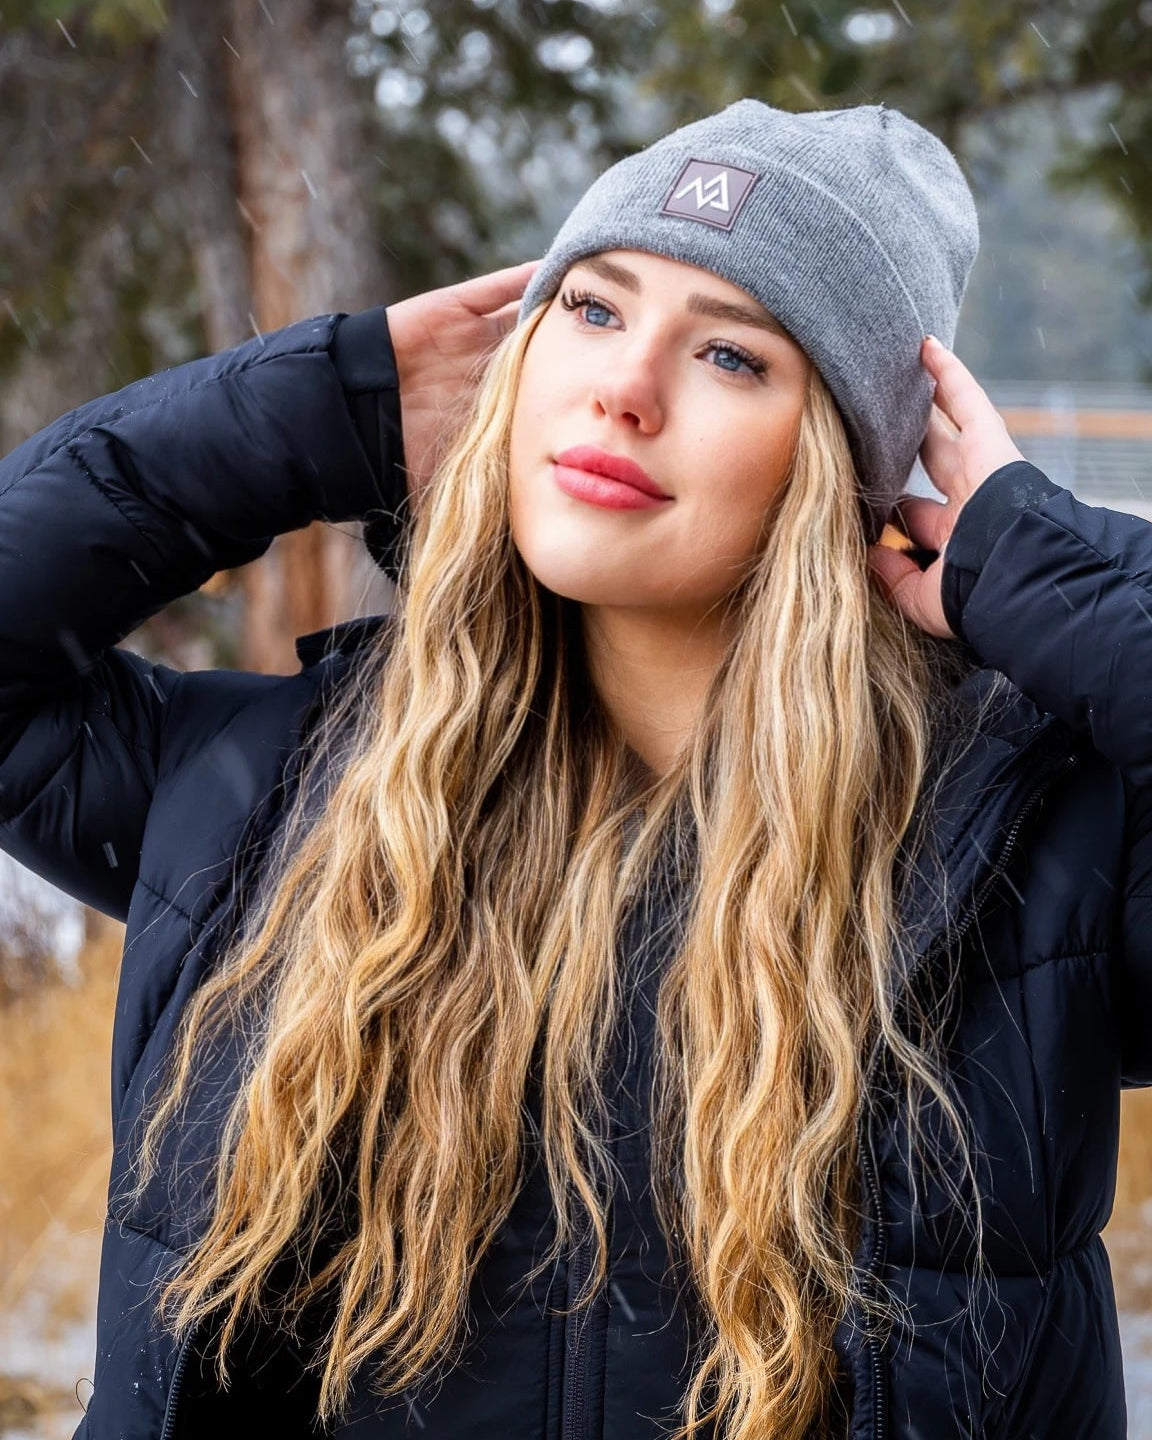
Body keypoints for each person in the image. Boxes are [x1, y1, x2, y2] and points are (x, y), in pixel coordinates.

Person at [0, 96, 1144, 1440]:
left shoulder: (1030, 861)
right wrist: (325, 407)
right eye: (592, 309)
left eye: (731, 356)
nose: (624, 386)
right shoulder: (270, 794)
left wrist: (1032, 565)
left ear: (854, 463)